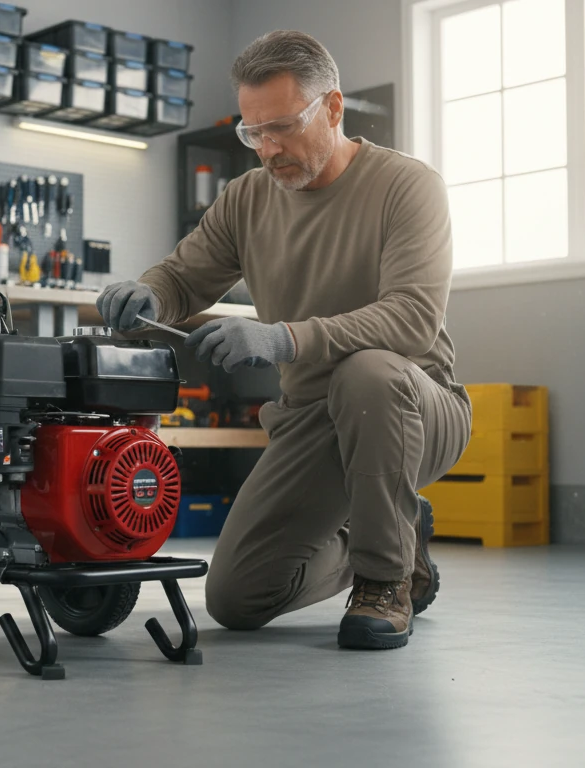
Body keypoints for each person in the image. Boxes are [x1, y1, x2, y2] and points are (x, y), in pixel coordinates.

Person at [96, 30, 472, 650]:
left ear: (332, 108)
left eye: (282, 127)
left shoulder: (408, 187)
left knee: (367, 374)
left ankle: (385, 581)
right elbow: (184, 275)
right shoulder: (247, 198)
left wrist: (283, 340)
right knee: (237, 599)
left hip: (413, 407)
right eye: (253, 134)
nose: (268, 149)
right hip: (312, 419)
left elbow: (411, 318)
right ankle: (393, 535)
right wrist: (149, 294)